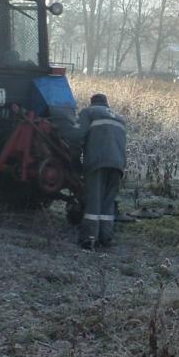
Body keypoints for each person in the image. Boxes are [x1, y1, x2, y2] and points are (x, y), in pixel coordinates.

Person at [74, 93, 127, 250]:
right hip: (118, 165)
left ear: (92, 103)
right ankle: (105, 238)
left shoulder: (89, 113)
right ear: (106, 104)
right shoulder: (119, 118)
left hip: (98, 162)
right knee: (107, 204)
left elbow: (76, 136)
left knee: (94, 202)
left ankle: (89, 239)